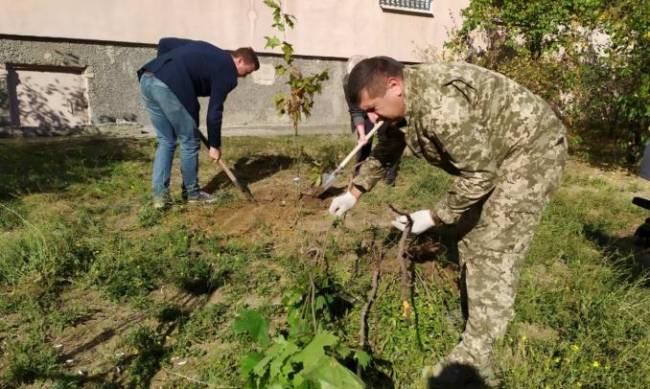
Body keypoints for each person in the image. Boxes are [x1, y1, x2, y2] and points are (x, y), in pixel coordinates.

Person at [328, 56, 567, 386]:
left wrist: (434, 215)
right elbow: (388, 148)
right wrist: (354, 192)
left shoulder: (440, 108)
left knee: (494, 244)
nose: (371, 118)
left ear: (394, 86)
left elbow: (481, 173)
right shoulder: (402, 103)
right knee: (468, 233)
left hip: (530, 150)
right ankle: (481, 315)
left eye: (372, 108)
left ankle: (477, 354)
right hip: (495, 153)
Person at [137, 38, 259, 209]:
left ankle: (160, 198)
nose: (244, 77)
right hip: (168, 87)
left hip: (148, 78)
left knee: (166, 140)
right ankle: (192, 194)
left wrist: (168, 71)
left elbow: (165, 43)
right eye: (246, 72)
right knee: (189, 141)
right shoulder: (228, 70)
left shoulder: (208, 50)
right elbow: (214, 111)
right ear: (239, 60)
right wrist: (214, 145)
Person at [343, 55, 398, 183]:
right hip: (365, 107)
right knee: (363, 141)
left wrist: (379, 113)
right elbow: (355, 109)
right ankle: (359, 174)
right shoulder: (347, 83)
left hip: (384, 105)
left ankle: (389, 173)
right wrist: (362, 135)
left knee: (387, 138)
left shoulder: (381, 79)